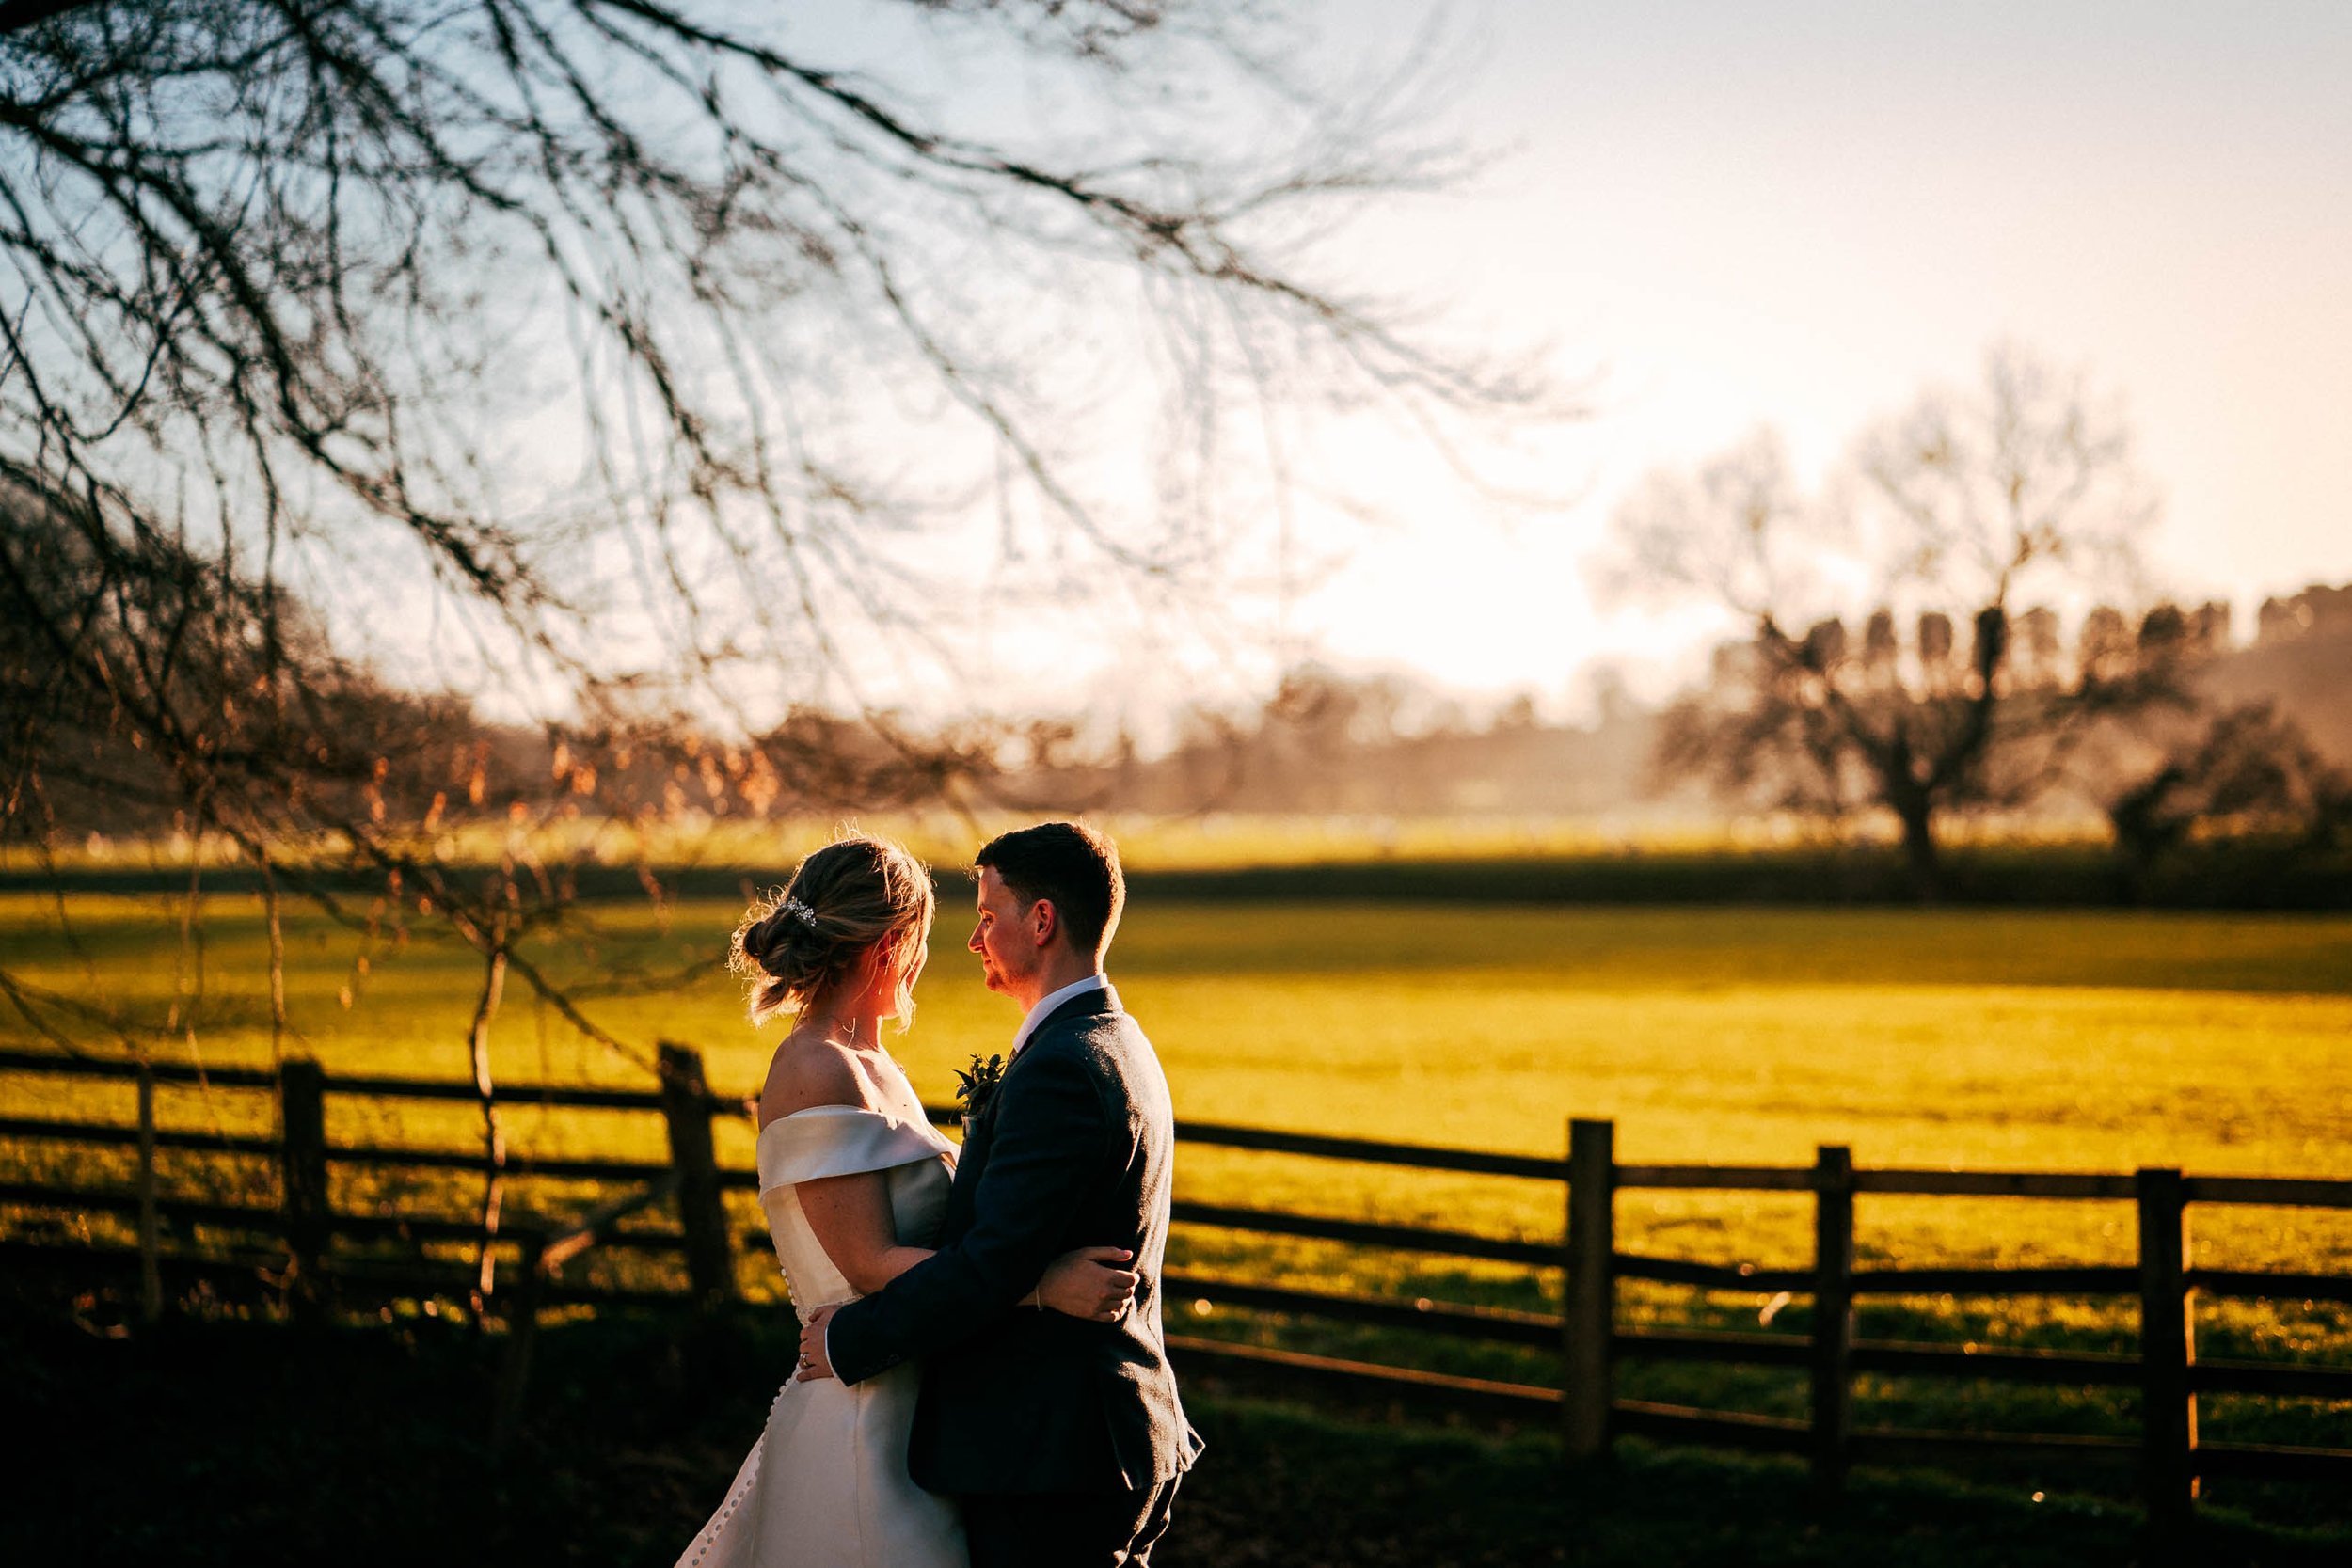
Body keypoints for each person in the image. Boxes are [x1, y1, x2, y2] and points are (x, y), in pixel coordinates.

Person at [672, 833, 1140, 1568]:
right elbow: (868, 1260)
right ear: (890, 946)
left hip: (923, 1403)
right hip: (863, 1413)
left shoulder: (875, 1064)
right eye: (921, 938)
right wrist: (1040, 1286)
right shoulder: (814, 1067)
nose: (939, 955)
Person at [798, 820, 1201, 1568]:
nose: (975, 939)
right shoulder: (1113, 1037)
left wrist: (844, 1339)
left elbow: (988, 1266)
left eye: (988, 916)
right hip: (1087, 1441)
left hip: (1051, 1454)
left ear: (1041, 920)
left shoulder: (1063, 1067)